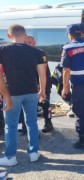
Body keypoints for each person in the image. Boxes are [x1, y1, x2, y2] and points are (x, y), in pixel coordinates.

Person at [0, 24, 46, 166]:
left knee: (11, 126)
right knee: (32, 123)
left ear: (9, 35)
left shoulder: (2, 50)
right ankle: (33, 153)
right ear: (25, 35)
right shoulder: (36, 51)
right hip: (32, 92)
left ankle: (11, 157)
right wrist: (42, 91)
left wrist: (5, 95)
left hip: (12, 93)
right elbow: (42, 74)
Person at [18, 35, 53, 134]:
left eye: (30, 42)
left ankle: (48, 123)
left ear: (34, 42)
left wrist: (39, 84)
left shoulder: (40, 52)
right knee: (26, 104)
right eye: (26, 42)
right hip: (29, 82)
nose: (28, 44)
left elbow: (43, 69)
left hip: (43, 81)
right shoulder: (22, 54)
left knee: (45, 103)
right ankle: (25, 127)